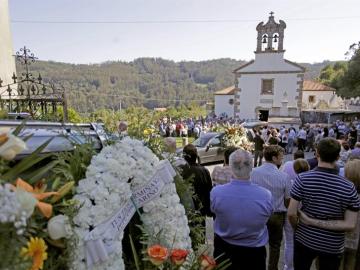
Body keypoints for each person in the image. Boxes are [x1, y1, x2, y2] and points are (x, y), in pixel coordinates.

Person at [287, 138, 360, 270]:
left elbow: (291, 213)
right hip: (332, 245)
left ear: (317, 153)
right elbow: (350, 224)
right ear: (338, 157)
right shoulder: (349, 187)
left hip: (304, 238)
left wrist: (303, 224)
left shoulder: (302, 179)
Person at [211, 149, 273, 270]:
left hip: (225, 250)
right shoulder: (266, 195)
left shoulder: (216, 193)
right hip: (253, 253)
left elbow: (214, 211)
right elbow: (268, 216)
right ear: (251, 167)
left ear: (231, 167)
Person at [251, 145, 292, 270]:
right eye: (281, 157)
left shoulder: (253, 172)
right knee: (275, 245)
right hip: (276, 214)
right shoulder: (284, 176)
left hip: (258, 212)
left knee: (257, 243)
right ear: (274, 158)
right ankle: (272, 267)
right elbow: (287, 199)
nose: (282, 159)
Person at [281, 151, 308, 270]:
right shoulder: (309, 182)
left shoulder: (291, 181)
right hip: (306, 216)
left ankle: (288, 266)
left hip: (292, 213)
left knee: (290, 242)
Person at [179, 144, 213, 217]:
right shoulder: (204, 171)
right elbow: (209, 191)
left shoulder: (180, 170)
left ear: (184, 156)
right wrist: (209, 210)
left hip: (186, 208)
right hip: (201, 208)